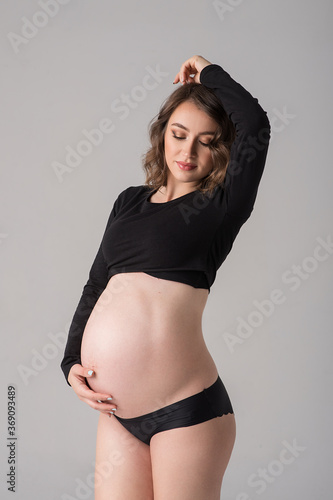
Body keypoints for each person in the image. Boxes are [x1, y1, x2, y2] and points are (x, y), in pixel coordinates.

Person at [61, 55, 270, 499]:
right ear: (162, 135)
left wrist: (208, 72)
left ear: (222, 150)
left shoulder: (221, 206)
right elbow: (96, 285)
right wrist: (70, 362)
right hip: (118, 414)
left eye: (206, 141)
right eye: (178, 135)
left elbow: (255, 124)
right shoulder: (129, 202)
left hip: (187, 413)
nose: (188, 151)